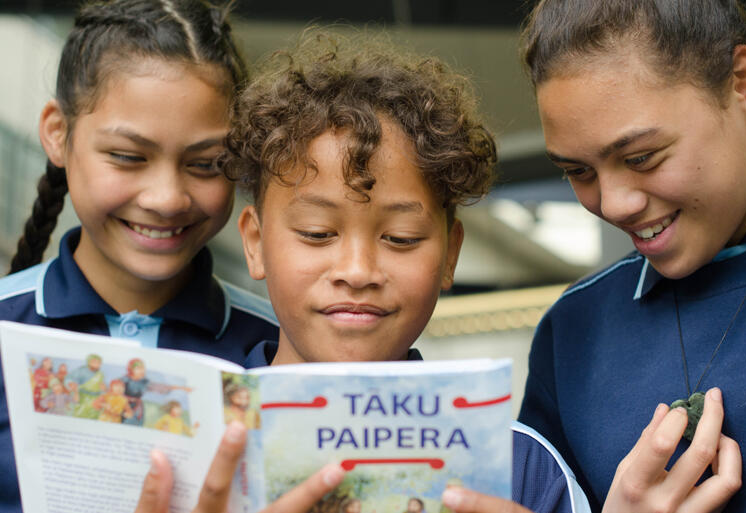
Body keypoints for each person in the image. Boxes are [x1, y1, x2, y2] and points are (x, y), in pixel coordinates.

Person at [136, 31, 591, 513]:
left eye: (400, 238)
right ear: (255, 243)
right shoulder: (177, 446)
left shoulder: (520, 468)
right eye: (316, 232)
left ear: (450, 255)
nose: (357, 272)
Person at [0, 0, 279, 510]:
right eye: (128, 157)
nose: (167, 197)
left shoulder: (278, 348)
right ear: (58, 134)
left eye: (207, 164)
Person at [516, 1, 746, 512]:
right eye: (578, 172)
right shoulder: (575, 330)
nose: (613, 204)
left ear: (743, 84)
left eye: (640, 158)